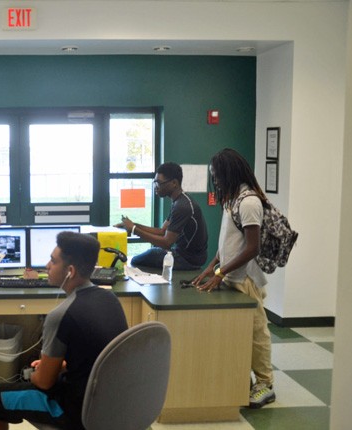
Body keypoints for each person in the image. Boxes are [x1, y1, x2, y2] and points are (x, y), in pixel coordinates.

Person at [0, 232, 128, 430]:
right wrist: (59, 365)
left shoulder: (61, 314)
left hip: (78, 411)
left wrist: (35, 373)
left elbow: (44, 383)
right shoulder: (110, 299)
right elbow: (96, 356)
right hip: (112, 403)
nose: (47, 266)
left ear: (70, 271)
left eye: (52, 261)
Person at [191, 148, 275, 409]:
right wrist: (211, 267)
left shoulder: (249, 202)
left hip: (246, 279)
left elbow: (252, 248)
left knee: (256, 333)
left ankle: (266, 384)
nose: (215, 181)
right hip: (231, 276)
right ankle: (245, 378)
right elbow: (227, 242)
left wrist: (221, 273)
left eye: (217, 176)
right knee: (237, 333)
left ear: (229, 173)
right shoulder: (232, 200)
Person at [116, 162, 208, 270]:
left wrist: (134, 229)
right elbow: (162, 231)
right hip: (184, 254)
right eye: (155, 183)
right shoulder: (178, 201)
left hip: (189, 259)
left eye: (158, 183)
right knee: (148, 254)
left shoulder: (182, 206)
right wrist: (133, 225)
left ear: (174, 183)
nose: (156, 187)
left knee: (137, 260)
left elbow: (166, 243)